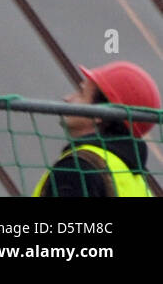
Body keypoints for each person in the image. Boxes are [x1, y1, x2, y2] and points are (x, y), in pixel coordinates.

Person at [32, 61, 160, 197]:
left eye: (81, 94)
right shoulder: (137, 182)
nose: (68, 98)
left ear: (100, 113)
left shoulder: (77, 168)